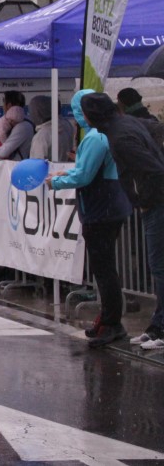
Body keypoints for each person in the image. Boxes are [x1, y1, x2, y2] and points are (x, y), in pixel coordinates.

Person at [47, 90, 132, 348]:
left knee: (103, 268)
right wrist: (67, 173)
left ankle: (111, 323)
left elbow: (84, 176)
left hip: (100, 208)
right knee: (104, 267)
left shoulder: (95, 137)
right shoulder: (105, 133)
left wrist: (56, 182)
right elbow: (88, 170)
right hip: (110, 204)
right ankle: (107, 319)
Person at [81, 91, 164, 350]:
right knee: (158, 267)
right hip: (153, 203)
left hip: (156, 203)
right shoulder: (125, 124)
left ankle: (161, 329)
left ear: (91, 116)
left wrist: (144, 198)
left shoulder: (120, 137)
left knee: (159, 267)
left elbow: (153, 169)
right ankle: (157, 326)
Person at [0, 91, 34, 161]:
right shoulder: (23, 123)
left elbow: (5, 151)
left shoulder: (22, 126)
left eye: (3, 103)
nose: (3, 107)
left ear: (9, 105)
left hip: (16, 165)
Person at [29, 95, 75, 162]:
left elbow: (37, 163)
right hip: (66, 167)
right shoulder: (66, 124)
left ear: (39, 112)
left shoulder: (42, 136)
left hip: (52, 168)